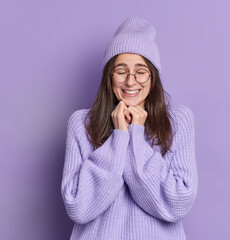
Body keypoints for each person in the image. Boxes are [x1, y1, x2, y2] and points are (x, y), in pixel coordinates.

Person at [61, 16, 198, 240]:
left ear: (153, 78)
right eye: (121, 71)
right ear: (109, 76)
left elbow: (177, 203)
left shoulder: (178, 121)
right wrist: (119, 135)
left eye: (141, 71)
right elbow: (78, 206)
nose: (131, 82)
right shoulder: (81, 124)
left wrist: (136, 134)